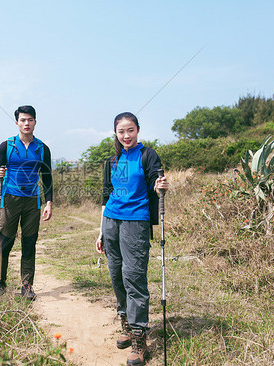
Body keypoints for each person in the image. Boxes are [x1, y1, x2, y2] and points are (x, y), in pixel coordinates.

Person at [96, 112, 168, 365]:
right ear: (115, 133)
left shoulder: (148, 155)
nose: (126, 136)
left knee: (134, 277)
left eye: (130, 130)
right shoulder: (111, 161)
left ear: (138, 130)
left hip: (136, 222)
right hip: (111, 222)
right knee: (116, 274)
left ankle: (139, 338)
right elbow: (106, 196)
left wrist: (160, 187)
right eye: (121, 132)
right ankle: (126, 325)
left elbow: (155, 184)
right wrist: (100, 230)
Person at [0, 105, 53, 300]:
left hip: (32, 202)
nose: (26, 123)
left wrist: (49, 202)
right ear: (17, 122)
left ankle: (27, 286)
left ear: (35, 122)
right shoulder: (7, 146)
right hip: (9, 199)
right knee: (5, 243)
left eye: (30, 120)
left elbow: (47, 178)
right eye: (23, 120)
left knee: (29, 243)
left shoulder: (43, 148)